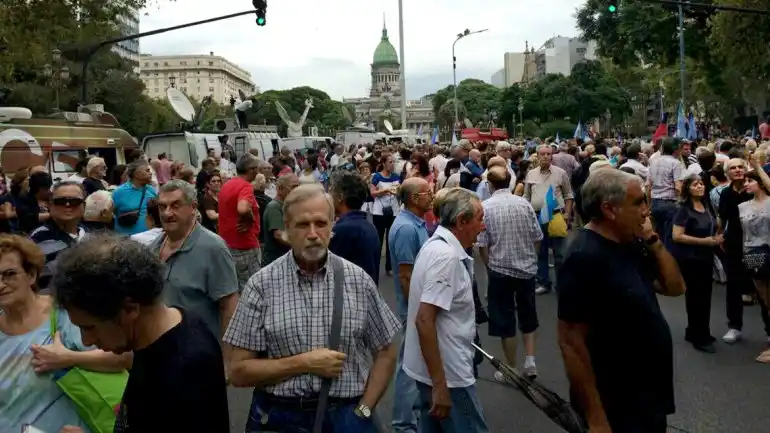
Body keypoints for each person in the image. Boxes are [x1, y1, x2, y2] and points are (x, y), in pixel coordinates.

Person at [225, 184, 400, 433]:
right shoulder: (261, 285)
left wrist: (364, 410)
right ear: (287, 228)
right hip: (280, 417)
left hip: (345, 416)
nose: (313, 233)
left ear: (332, 225)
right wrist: (304, 363)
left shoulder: (357, 280)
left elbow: (386, 351)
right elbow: (239, 371)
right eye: (302, 225)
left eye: (320, 223)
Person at [53, 234, 230, 433]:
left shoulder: (186, 372)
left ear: (130, 309)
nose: (86, 341)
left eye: (90, 327)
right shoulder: (166, 332)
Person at [557, 169, 685, 433]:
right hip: (616, 403)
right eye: (638, 203)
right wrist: (596, 417)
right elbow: (571, 341)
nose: (646, 211)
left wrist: (653, 240)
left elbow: (675, 287)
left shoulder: (632, 242)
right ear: (609, 209)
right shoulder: (584, 256)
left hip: (648, 397)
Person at [0, 234, 130, 433]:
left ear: (31, 275)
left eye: (9, 274)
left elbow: (125, 357)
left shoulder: (65, 312)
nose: (1, 285)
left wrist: (68, 358)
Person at [403, 188, 489, 433]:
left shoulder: (435, 246)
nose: (483, 226)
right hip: (449, 375)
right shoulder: (446, 257)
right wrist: (440, 384)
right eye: (479, 219)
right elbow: (424, 320)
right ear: (461, 221)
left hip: (434, 371)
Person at [150, 180, 240, 345]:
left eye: (175, 206)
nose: (167, 213)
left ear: (193, 207)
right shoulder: (153, 248)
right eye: (162, 207)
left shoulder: (213, 248)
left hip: (201, 351)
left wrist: (228, 354)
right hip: (162, 349)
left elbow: (229, 306)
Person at [478, 166, 543, 379]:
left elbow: (483, 245)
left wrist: (489, 266)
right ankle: (530, 361)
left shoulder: (486, 207)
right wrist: (532, 259)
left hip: (499, 269)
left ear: (490, 185)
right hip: (526, 269)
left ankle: (511, 368)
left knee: (505, 320)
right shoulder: (524, 204)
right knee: (528, 314)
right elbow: (537, 237)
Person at [388, 176, 432, 433]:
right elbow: (406, 275)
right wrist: (418, 312)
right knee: (409, 366)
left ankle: (412, 416)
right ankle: (404, 424)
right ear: (414, 198)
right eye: (428, 192)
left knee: (416, 363)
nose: (432, 195)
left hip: (419, 307)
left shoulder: (415, 223)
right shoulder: (406, 229)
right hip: (414, 309)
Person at [671, 175, 721, 353]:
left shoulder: (707, 207)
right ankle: (698, 335)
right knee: (695, 297)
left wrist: (716, 238)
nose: (699, 186)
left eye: (701, 184)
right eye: (695, 184)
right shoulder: (683, 210)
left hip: (706, 257)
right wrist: (704, 241)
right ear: (688, 189)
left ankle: (699, 331)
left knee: (705, 296)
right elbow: (677, 236)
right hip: (691, 259)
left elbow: (714, 225)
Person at [29, 181, 87, 290]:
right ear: (50, 205)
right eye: (60, 201)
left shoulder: (91, 234)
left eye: (74, 201)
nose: (67, 205)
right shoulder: (38, 238)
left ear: (84, 205)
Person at [328, 170, 381, 284]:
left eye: (331, 191)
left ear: (340, 197)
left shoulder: (343, 229)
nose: (329, 196)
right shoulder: (368, 226)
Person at [218, 154, 262, 289]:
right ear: (251, 170)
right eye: (256, 168)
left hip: (227, 244)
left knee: (235, 286)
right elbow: (243, 208)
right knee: (252, 288)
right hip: (245, 246)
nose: (257, 172)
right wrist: (250, 219)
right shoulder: (246, 186)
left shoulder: (227, 185)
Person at [261, 173, 299, 267]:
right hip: (275, 261)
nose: (297, 190)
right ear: (281, 189)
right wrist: (300, 247)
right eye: (294, 187)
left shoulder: (287, 206)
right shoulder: (274, 207)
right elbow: (279, 235)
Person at [112, 160, 157, 236]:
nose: (151, 173)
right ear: (137, 174)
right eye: (147, 170)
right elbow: (112, 213)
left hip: (149, 237)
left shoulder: (151, 190)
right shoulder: (119, 192)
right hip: (126, 239)